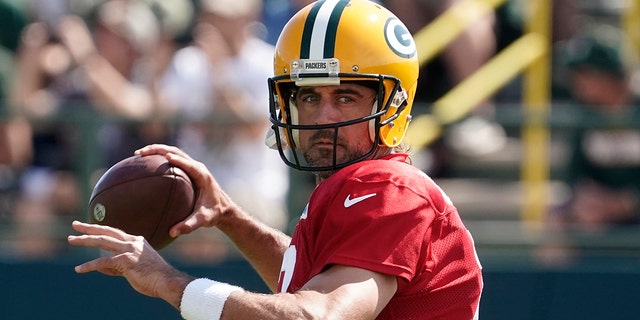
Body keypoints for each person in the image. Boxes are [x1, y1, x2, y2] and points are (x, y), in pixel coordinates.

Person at [68, 1, 483, 319]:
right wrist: (230, 216)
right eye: (308, 96)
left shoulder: (386, 188)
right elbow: (305, 278)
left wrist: (171, 283)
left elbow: (318, 313)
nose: (324, 116)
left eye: (345, 96)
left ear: (391, 106)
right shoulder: (355, 186)